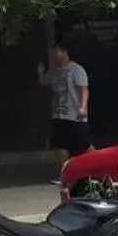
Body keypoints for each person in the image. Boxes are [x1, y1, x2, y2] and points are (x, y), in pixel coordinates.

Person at [40, 43, 91, 182]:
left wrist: (82, 107)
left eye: (56, 51)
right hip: (59, 115)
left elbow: (84, 89)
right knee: (62, 146)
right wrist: (40, 71)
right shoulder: (56, 71)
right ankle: (65, 175)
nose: (54, 55)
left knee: (84, 145)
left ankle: (102, 165)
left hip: (74, 115)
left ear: (64, 52)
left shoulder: (76, 70)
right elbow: (46, 82)